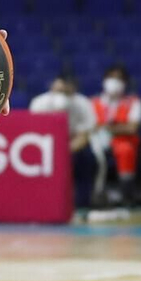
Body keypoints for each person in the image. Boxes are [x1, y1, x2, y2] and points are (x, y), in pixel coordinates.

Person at [29, 73, 100, 208]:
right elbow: (34, 133)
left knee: (85, 159)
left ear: (73, 91)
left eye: (65, 92)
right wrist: (52, 150)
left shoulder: (83, 104)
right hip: (44, 144)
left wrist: (65, 151)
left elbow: (84, 136)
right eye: (58, 91)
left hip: (74, 145)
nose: (61, 96)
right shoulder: (39, 103)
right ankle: (41, 203)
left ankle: (82, 204)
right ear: (51, 88)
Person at [91, 63, 141, 207]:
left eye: (118, 78)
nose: (114, 82)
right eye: (111, 78)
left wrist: (106, 128)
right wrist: (116, 127)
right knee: (90, 153)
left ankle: (126, 195)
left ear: (125, 83)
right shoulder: (94, 102)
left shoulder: (133, 102)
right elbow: (89, 126)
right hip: (97, 141)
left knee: (125, 150)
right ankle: (93, 195)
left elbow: (132, 128)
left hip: (122, 141)